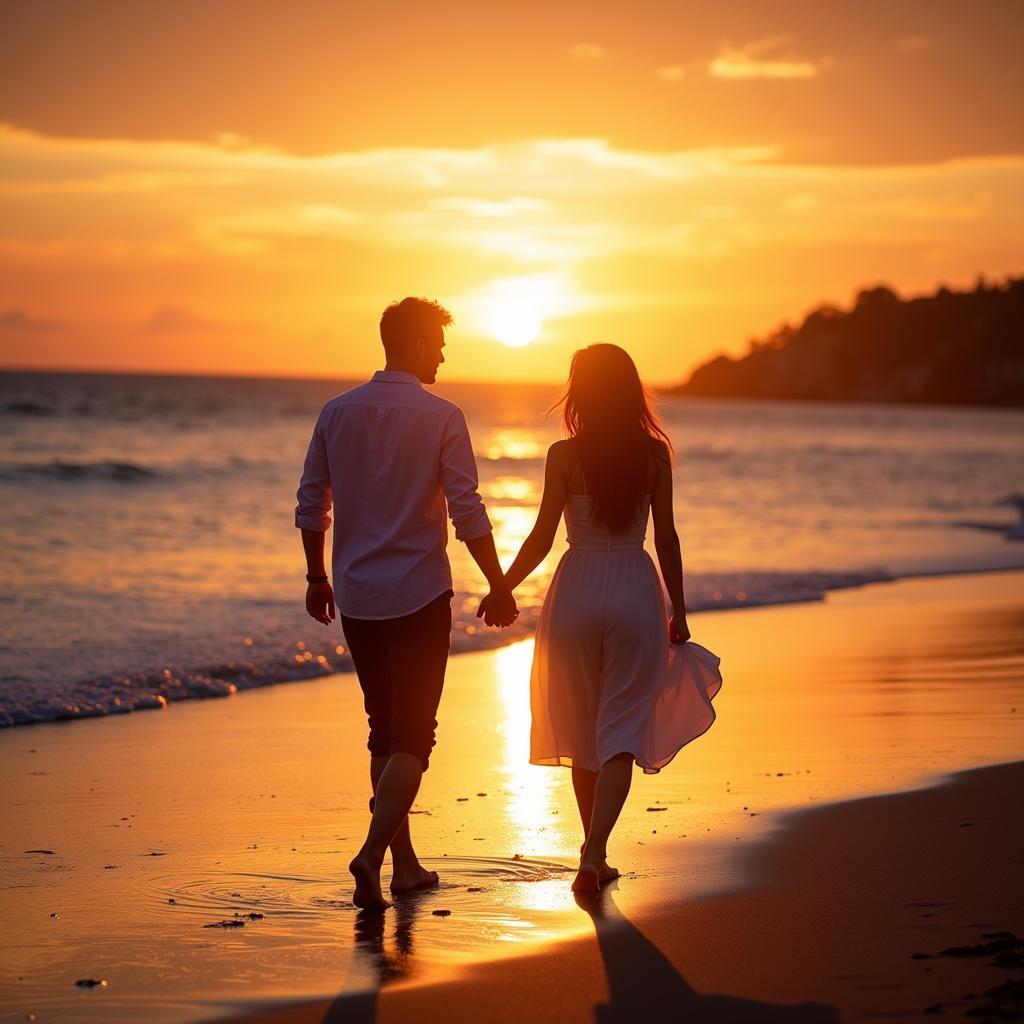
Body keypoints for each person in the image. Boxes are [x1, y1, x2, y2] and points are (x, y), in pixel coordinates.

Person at [296, 297, 518, 912]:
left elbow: (313, 502)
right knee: (414, 737)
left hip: (359, 595)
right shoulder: (443, 415)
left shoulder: (336, 412)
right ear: (418, 344)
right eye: (440, 343)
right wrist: (498, 584)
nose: (445, 354)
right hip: (419, 593)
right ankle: (371, 856)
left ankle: (408, 866)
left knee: (384, 730)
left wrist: (317, 577)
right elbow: (468, 510)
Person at [481, 343, 722, 894]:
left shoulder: (563, 455)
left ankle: (592, 851)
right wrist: (678, 610)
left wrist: (501, 587)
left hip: (577, 590)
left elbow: (542, 536)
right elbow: (666, 537)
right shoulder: (654, 455)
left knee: (584, 732)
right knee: (621, 732)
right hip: (636, 589)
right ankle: (594, 853)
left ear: (581, 391)